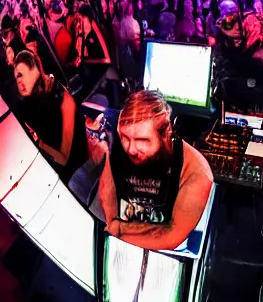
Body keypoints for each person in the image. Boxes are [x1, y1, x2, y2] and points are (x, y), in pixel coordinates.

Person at [99, 91, 213, 250]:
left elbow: (173, 236)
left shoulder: (195, 171)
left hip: (164, 257)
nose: (131, 149)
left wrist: (117, 232)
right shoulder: (114, 148)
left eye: (142, 140)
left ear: (166, 133)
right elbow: (108, 190)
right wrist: (112, 225)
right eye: (125, 137)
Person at [13, 50, 88, 183]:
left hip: (75, 170)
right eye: (16, 79)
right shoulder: (28, 103)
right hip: (47, 163)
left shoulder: (65, 100)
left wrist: (38, 142)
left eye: (21, 76)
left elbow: (64, 159)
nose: (19, 84)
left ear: (34, 71)